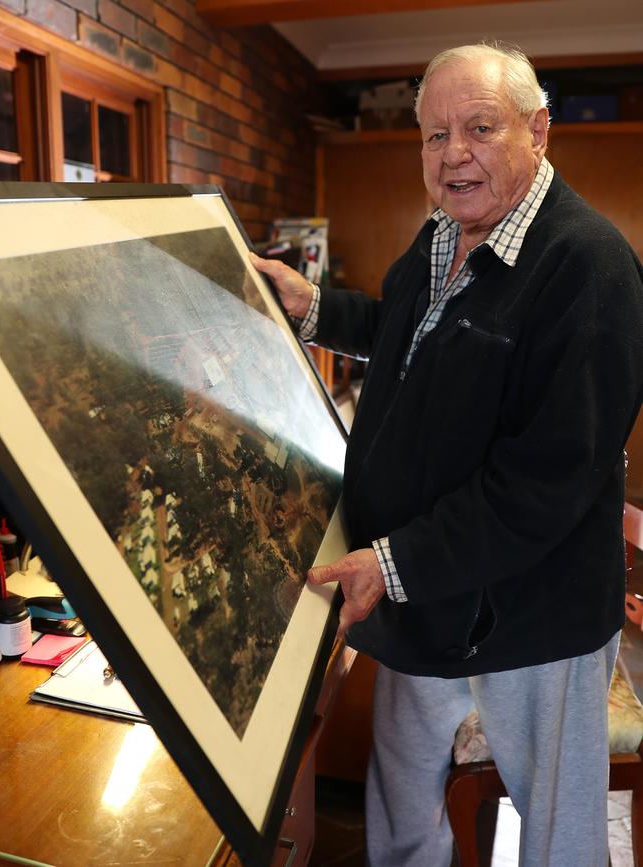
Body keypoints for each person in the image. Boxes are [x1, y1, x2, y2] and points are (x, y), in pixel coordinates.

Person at [251, 42, 643, 867]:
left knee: (556, 838)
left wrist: (391, 563)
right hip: (424, 593)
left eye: (479, 127)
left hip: (535, 615)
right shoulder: (446, 231)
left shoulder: (588, 265)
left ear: (539, 131)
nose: (452, 153)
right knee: (400, 809)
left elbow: (544, 484)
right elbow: (407, 327)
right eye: (433, 135)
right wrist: (315, 306)